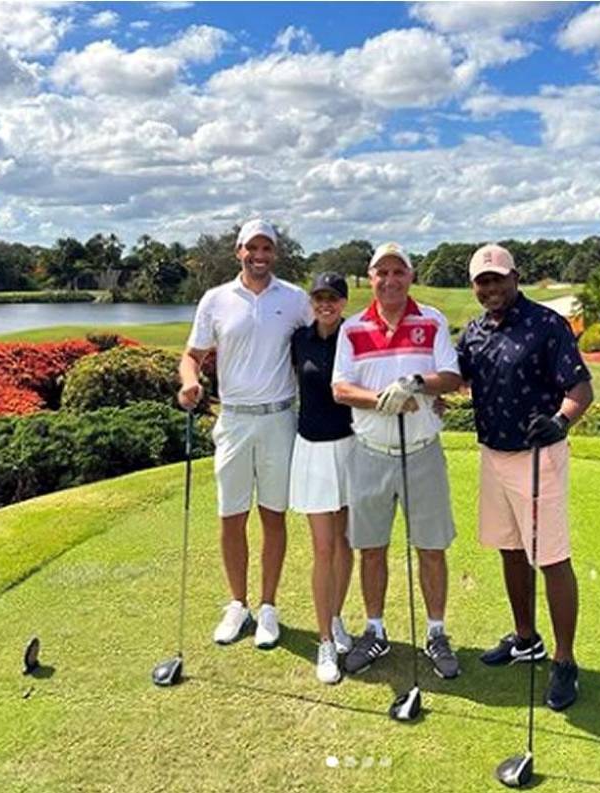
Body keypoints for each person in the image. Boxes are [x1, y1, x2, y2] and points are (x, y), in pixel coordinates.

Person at [456, 243, 594, 710]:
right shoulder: (473, 331)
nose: (490, 288)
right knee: (511, 549)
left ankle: (565, 660)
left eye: (497, 278)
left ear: (515, 278)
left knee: (551, 557)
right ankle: (525, 638)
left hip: (539, 456)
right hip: (493, 453)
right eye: (482, 281)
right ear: (475, 286)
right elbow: (454, 378)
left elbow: (581, 387)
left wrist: (561, 420)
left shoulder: (545, 325)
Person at [178, 218, 312, 649]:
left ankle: (269, 607)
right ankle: (238, 605)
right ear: (238, 251)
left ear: (275, 252)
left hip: (278, 419)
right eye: (251, 248)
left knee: (273, 515)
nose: (259, 256)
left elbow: (325, 341)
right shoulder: (216, 300)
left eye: (266, 248)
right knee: (231, 516)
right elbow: (192, 355)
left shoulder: (294, 299)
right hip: (233, 419)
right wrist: (189, 381)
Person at [331, 242, 463, 679]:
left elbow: (452, 375)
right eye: (380, 273)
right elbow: (341, 389)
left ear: (410, 275)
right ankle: (375, 630)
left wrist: (415, 383)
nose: (390, 281)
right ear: (370, 279)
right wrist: (383, 400)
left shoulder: (432, 320)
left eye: (398, 272)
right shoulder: (352, 329)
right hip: (370, 454)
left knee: (430, 548)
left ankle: (436, 632)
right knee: (372, 549)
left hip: (422, 452)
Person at [289, 272, 357, 684]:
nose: (325, 304)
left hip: (350, 447)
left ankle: (335, 618)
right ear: (311, 302)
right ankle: (325, 643)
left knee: (346, 543)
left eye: (333, 298)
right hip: (312, 451)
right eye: (319, 298)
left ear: (344, 302)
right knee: (324, 548)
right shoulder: (299, 339)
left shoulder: (354, 337)